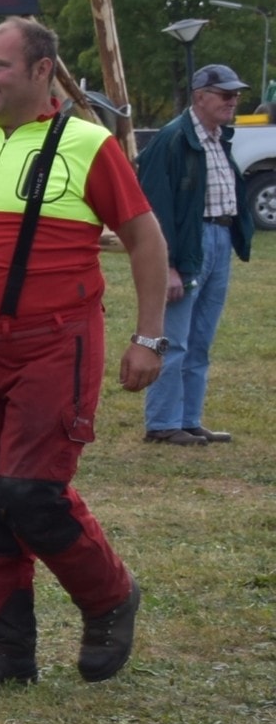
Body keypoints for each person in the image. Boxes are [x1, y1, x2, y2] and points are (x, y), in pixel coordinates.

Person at [0, 16, 170, 692]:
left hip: (53, 343)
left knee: (31, 491)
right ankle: (6, 649)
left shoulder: (89, 144)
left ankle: (109, 597)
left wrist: (149, 337)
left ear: (43, 71)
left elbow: (145, 239)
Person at [136, 63, 254, 445]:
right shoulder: (173, 139)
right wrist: (167, 265)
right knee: (175, 337)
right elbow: (155, 207)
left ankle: (188, 418)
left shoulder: (218, 137)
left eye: (235, 95)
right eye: (225, 95)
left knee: (201, 338)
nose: (233, 101)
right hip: (190, 243)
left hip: (218, 237)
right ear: (199, 96)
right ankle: (163, 422)